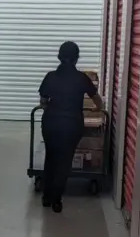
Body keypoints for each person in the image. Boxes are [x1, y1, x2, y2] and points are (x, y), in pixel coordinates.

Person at [38, 41, 104, 213]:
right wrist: (98, 108)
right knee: (64, 161)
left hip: (51, 123)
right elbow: (97, 100)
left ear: (59, 56)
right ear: (76, 58)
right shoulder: (82, 78)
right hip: (72, 125)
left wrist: (51, 107)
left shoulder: (50, 76)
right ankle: (56, 200)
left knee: (51, 158)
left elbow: (43, 101)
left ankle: (46, 196)